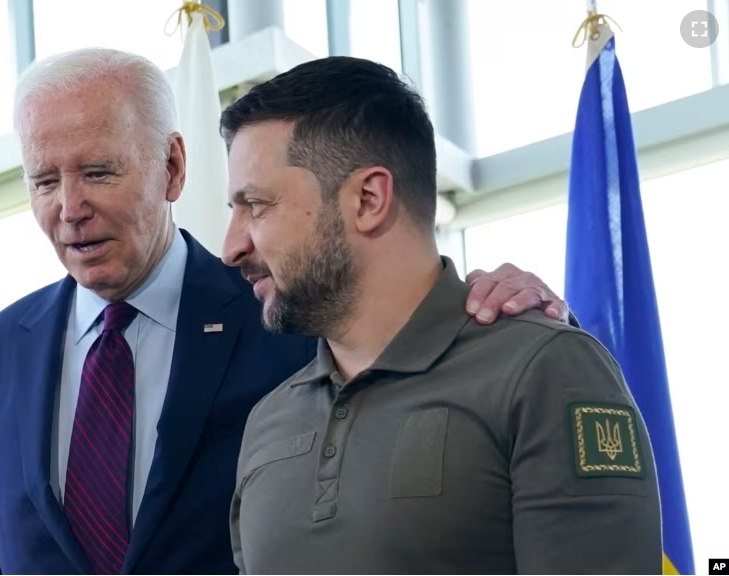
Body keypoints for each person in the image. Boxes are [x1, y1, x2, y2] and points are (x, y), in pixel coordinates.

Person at [0, 48, 572, 575]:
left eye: (99, 173)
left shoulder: (289, 312)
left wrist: (510, 305)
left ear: (173, 168)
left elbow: (407, 314)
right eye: (44, 182)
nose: (69, 208)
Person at [220, 56, 662, 575]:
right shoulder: (268, 420)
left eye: (257, 205)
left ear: (368, 199)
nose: (231, 246)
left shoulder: (542, 371)